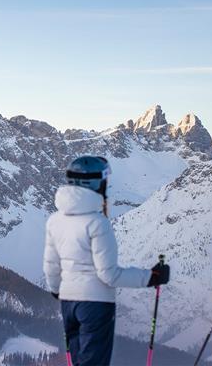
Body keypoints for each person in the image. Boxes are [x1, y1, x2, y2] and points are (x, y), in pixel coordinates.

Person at [43, 156, 170, 366]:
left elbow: (51, 266)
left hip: (68, 303)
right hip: (96, 304)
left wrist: (58, 289)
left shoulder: (55, 221)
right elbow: (108, 274)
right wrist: (151, 277)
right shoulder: (98, 223)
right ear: (95, 183)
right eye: (104, 181)